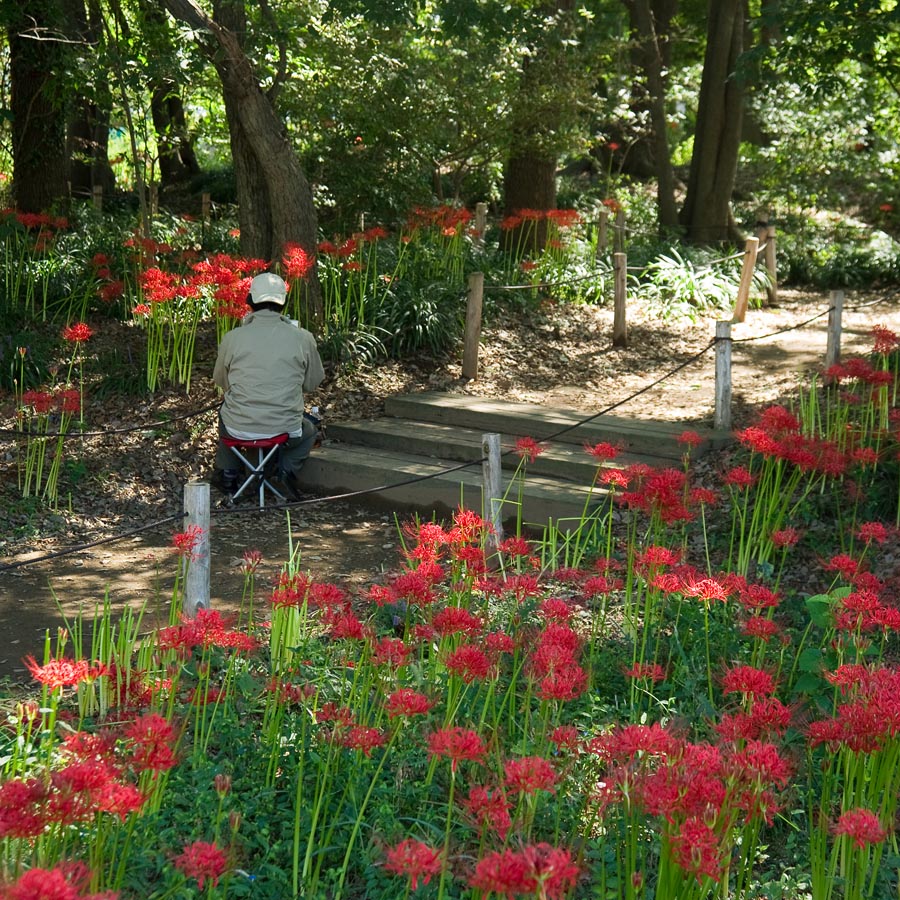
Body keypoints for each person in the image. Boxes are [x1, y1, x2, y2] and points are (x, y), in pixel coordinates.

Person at [213, 272, 325, 499]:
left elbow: (221, 381)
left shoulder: (233, 337)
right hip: (284, 428)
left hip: (239, 426)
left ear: (250, 301)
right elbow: (312, 383)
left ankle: (228, 474)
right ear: (282, 302)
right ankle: (284, 472)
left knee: (225, 414)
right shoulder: (302, 337)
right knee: (310, 430)